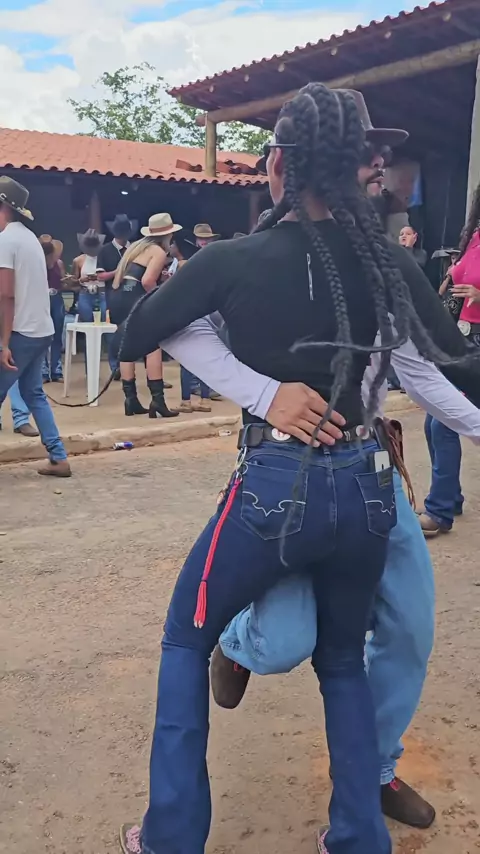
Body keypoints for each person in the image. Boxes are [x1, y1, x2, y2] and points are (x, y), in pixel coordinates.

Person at [117, 85, 478, 854]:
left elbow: (137, 332)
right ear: (359, 167)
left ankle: (170, 838)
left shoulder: (232, 259)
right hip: (368, 487)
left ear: (277, 164)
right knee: (341, 660)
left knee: (185, 640)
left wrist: (262, 394)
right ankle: (358, 838)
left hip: (279, 487)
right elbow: (452, 367)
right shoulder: (390, 263)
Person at [419, 182, 480, 537]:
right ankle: (450, 497)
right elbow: (455, 278)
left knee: (444, 423)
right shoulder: (473, 237)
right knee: (434, 420)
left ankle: (439, 510)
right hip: (461, 340)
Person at [0, 176, 71, 476]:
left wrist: (3, 343)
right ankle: (58, 457)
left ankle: (59, 456)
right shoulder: (28, 238)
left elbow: (6, 295)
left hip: (20, 331)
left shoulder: (6, 241)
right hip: (41, 329)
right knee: (33, 393)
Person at [110, 213, 179, 419]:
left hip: (120, 296)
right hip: (137, 297)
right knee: (152, 346)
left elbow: (125, 277)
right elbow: (148, 281)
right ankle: (158, 400)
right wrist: (159, 296)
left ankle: (130, 399)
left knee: (127, 346)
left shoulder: (136, 248)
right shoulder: (158, 251)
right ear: (168, 235)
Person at [169, 229, 212, 414]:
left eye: (172, 244)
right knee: (204, 358)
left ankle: (186, 400)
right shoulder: (199, 262)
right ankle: (204, 398)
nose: (170, 246)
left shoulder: (182, 265)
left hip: (187, 313)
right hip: (203, 311)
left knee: (186, 360)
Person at [96, 214, 137, 376]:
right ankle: (115, 367)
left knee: (131, 331)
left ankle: (128, 367)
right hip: (113, 295)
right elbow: (100, 276)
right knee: (113, 331)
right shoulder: (105, 250)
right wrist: (118, 271)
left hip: (134, 293)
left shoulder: (135, 249)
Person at [39, 234, 66, 383]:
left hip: (56, 297)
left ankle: (56, 370)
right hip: (42, 298)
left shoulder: (59, 264)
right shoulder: (37, 264)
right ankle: (44, 371)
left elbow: (63, 282)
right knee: (43, 335)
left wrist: (69, 281)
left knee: (57, 335)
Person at [72, 229, 107, 322]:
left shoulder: (105, 258)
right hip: (85, 292)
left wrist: (100, 276)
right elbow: (73, 282)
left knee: (104, 319)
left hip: (102, 292)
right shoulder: (78, 260)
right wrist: (81, 280)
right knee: (86, 320)